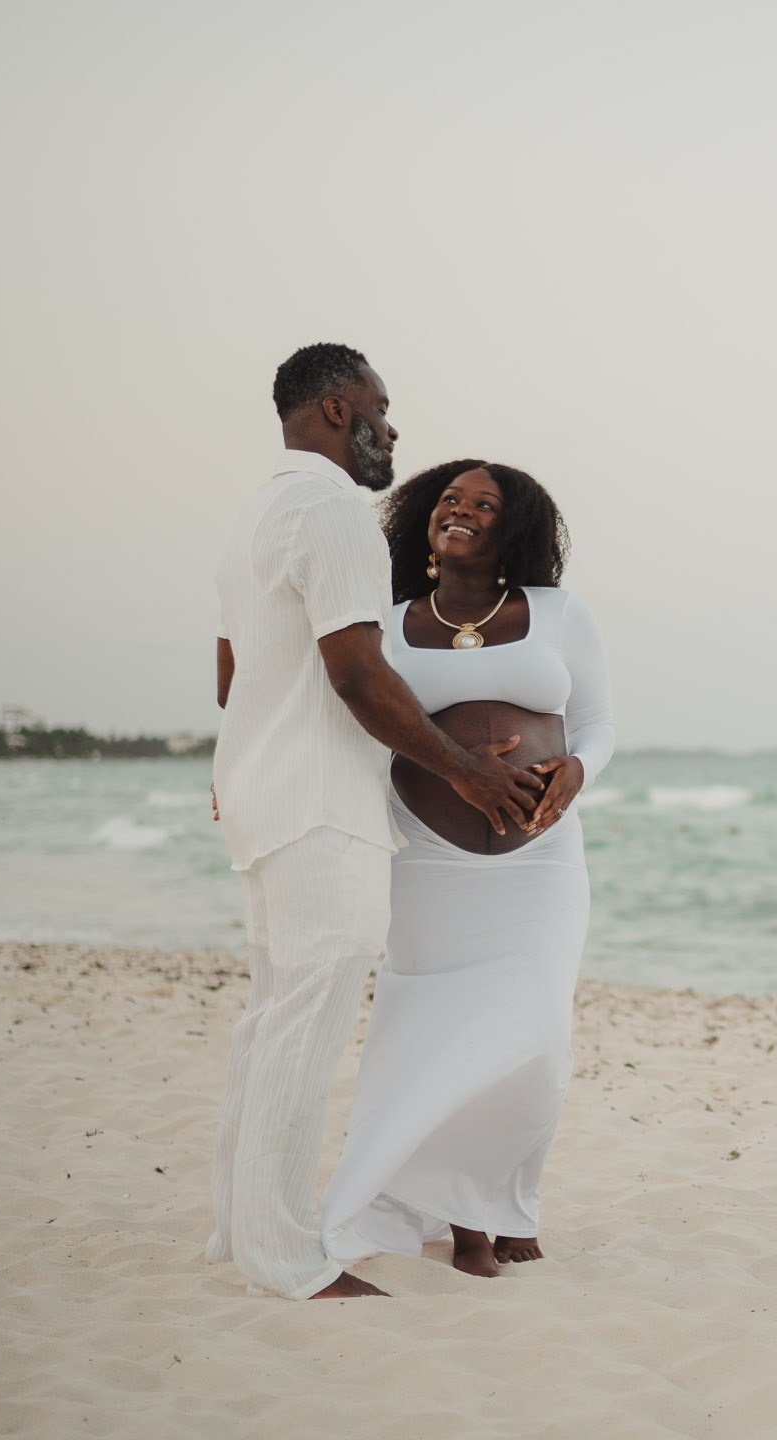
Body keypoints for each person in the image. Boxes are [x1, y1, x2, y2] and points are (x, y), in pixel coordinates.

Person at [207, 345, 544, 1300]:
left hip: (266, 796)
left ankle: (239, 1237)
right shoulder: (332, 515)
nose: (392, 429)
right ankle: (284, 1260)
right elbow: (358, 673)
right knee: (302, 1029)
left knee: (270, 1022)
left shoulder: (253, 516)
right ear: (332, 407)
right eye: (381, 408)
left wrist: (236, 763)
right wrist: (472, 774)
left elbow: (234, 678)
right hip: (321, 808)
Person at [318, 457, 613, 1278]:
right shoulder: (386, 620)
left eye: (485, 504)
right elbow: (350, 725)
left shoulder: (557, 613)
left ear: (511, 528)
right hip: (425, 855)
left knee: (538, 1034)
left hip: (541, 858)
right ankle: (465, 1227)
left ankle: (502, 1196)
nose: (464, 510)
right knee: (431, 1033)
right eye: (450, 499)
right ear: (424, 520)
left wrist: (579, 775)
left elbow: (597, 723)